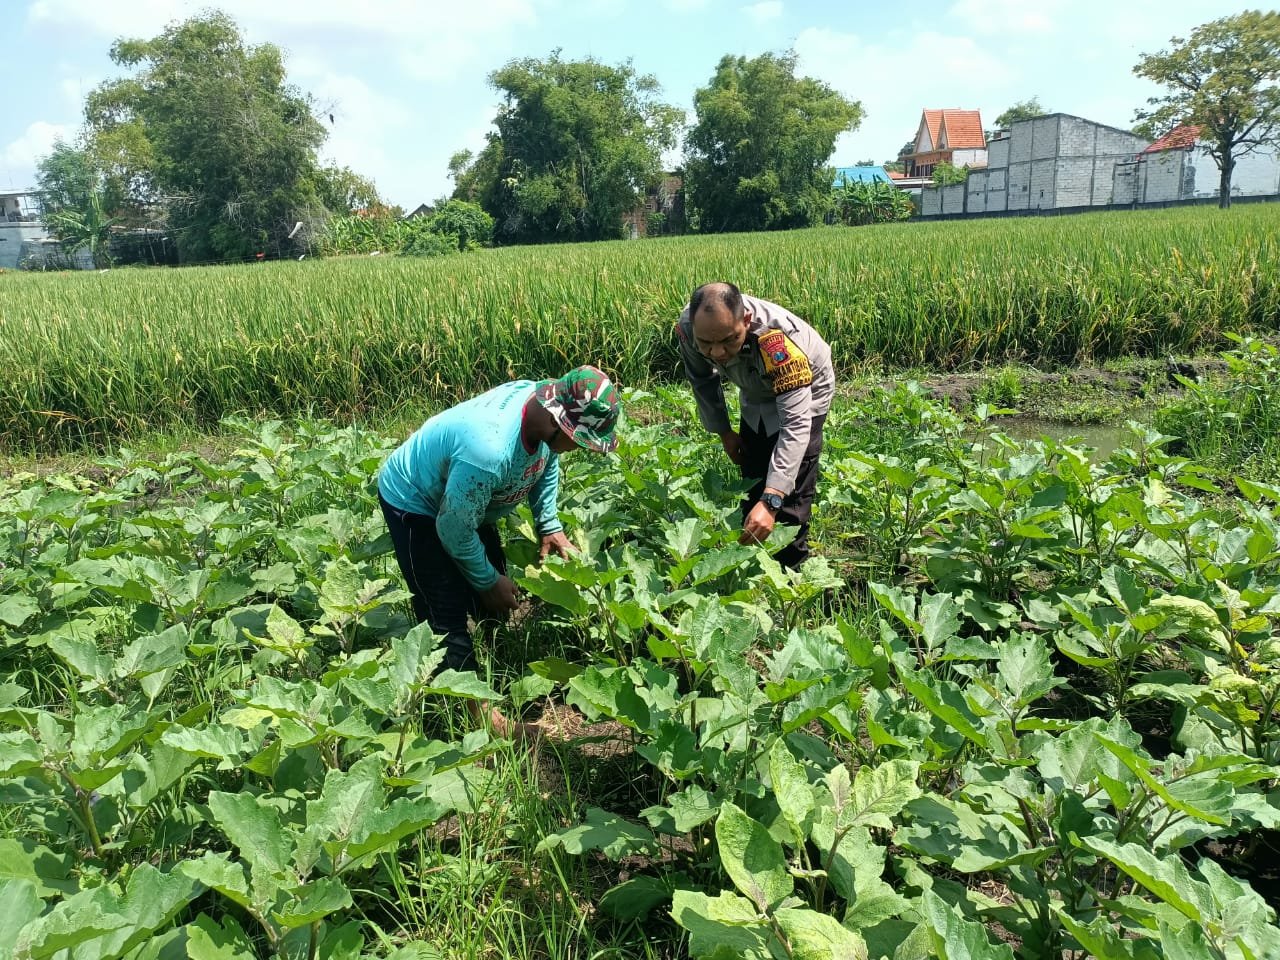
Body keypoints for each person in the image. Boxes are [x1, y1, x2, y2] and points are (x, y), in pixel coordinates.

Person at [377, 365, 621, 736]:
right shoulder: (489, 450)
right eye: (579, 440)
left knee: (489, 580)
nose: (578, 448)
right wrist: (488, 581)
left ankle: (488, 659)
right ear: (559, 422)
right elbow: (454, 530)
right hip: (417, 501)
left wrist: (549, 524)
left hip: (469, 496)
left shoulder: (539, 409)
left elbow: (546, 462)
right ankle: (482, 720)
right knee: (444, 611)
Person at [675, 282, 834, 569]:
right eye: (706, 344)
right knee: (753, 467)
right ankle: (754, 560)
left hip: (807, 384)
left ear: (745, 321)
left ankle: (790, 571)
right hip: (754, 383)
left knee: (790, 489)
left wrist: (772, 500)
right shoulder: (689, 328)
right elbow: (702, 379)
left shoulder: (779, 341)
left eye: (727, 340)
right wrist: (724, 431)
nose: (718, 352)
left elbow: (795, 426)